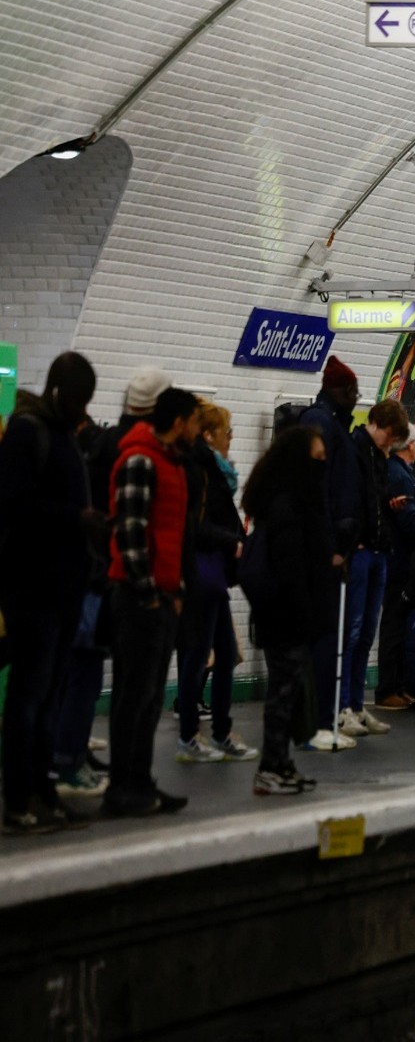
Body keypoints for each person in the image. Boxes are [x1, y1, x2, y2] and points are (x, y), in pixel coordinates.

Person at [55, 366, 171, 798]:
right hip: (107, 576)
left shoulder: (102, 441)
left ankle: (72, 751)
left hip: (92, 572)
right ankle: (69, 759)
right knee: (92, 673)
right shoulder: (136, 450)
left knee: (79, 672)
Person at [0, 352, 97, 835]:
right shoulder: (28, 432)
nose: (83, 410)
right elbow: (14, 504)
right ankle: (17, 799)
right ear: (59, 390)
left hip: (63, 588)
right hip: (32, 587)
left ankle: (43, 790)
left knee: (50, 695)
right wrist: (74, 518)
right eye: (78, 399)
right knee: (28, 694)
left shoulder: (61, 434)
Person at [104, 386, 201, 816]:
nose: (198, 431)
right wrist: (148, 596)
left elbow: (171, 537)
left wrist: (175, 591)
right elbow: (130, 533)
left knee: (148, 699)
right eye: (195, 422)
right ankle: (123, 787)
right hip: (138, 598)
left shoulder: (173, 464)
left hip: (161, 597)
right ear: (178, 422)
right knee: (133, 698)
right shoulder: (141, 460)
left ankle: (139, 782)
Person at [240, 427, 333, 795]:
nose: (322, 466)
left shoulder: (290, 500)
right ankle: (269, 767)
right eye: (317, 458)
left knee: (290, 691)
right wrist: (305, 611)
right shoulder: (287, 506)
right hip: (285, 615)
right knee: (283, 693)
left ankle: (281, 762)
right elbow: (291, 567)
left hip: (288, 613)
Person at [173, 400, 256, 762]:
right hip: (201, 573)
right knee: (198, 655)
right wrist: (233, 542)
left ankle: (220, 731)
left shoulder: (214, 470)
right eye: (226, 431)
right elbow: (194, 526)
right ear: (208, 435)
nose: (231, 438)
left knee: (224, 655)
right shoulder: (200, 470)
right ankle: (190, 735)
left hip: (213, 574)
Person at [337, 397, 410, 740]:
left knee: (366, 632)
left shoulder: (377, 456)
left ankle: (355, 703)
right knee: (352, 632)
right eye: (390, 436)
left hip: (379, 550)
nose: (391, 444)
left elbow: (371, 498)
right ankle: (342, 708)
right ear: (378, 425)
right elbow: (350, 500)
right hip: (362, 552)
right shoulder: (354, 452)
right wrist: (354, 541)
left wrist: (387, 503)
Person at [298, 355, 361, 752]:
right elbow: (316, 491)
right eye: (353, 391)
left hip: (333, 549)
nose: (356, 398)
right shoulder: (322, 424)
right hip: (323, 553)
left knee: (327, 640)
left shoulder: (332, 424)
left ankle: (321, 720)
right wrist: (331, 547)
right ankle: (315, 724)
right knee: (320, 641)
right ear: (340, 391)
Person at [375, 425, 415, 710]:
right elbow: (409, 521)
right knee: (394, 625)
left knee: (398, 624)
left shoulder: (399, 472)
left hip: (400, 560)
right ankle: (387, 688)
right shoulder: (400, 475)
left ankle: (397, 685)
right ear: (412, 445)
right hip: (399, 561)